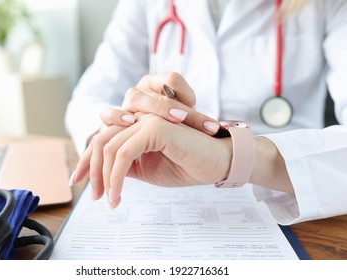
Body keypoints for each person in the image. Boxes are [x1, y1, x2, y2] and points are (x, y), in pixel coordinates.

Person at [66, 0, 347, 225]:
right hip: (160, 193)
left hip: (291, 193)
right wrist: (123, 124)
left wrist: (232, 157)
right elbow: (87, 99)